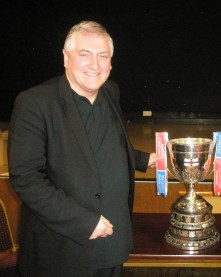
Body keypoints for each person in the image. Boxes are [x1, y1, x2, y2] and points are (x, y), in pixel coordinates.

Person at [8, 21, 157, 277]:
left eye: (103, 56)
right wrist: (83, 222)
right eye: (84, 54)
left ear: (111, 61)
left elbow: (109, 146)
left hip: (113, 239)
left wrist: (145, 159)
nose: (95, 65)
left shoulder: (110, 91)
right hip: (64, 248)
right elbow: (26, 178)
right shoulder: (35, 102)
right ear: (66, 58)